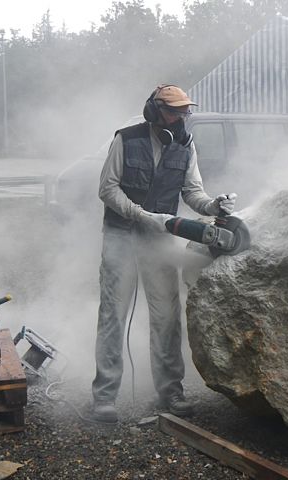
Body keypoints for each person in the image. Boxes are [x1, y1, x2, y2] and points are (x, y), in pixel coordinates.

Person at [90, 84, 236, 424]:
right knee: (114, 315)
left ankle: (171, 391)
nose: (181, 117)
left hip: (159, 239)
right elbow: (106, 188)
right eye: (174, 111)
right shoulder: (126, 140)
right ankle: (104, 396)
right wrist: (141, 216)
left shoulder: (185, 145)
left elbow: (193, 192)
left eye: (185, 111)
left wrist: (215, 205)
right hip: (122, 234)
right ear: (154, 111)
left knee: (167, 317)